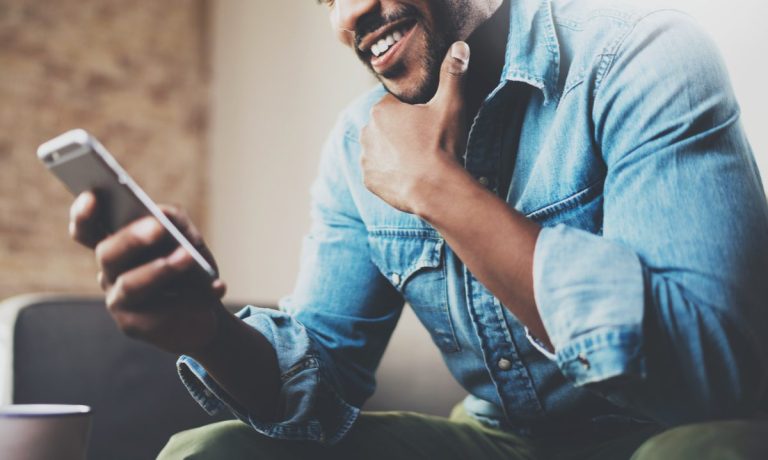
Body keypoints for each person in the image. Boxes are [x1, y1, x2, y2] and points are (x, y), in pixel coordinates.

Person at [69, 0, 768, 458]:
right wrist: (210, 332)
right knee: (210, 452)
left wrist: (440, 190)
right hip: (504, 441)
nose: (351, 15)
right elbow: (323, 379)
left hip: (664, 431)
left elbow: (712, 380)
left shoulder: (640, 58)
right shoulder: (357, 145)